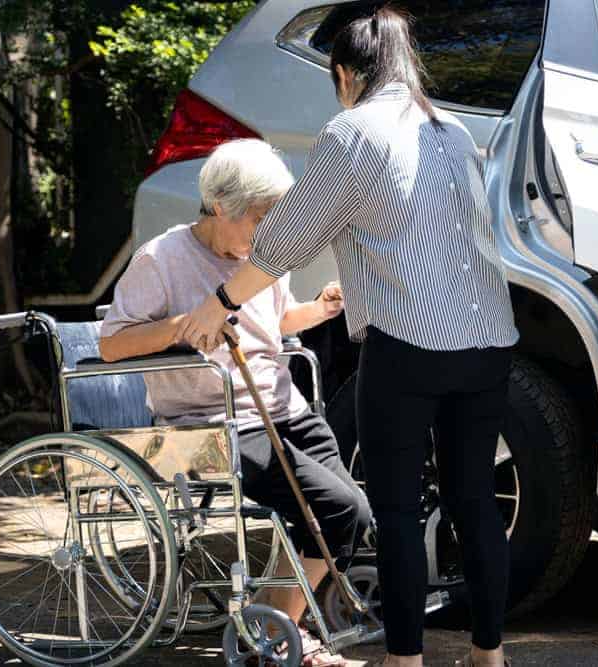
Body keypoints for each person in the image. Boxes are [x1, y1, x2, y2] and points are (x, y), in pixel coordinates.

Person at [177, 6, 519, 666]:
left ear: (344, 74)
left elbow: (284, 238)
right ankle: (489, 654)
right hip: (487, 341)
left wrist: (221, 300)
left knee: (394, 510)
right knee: (473, 501)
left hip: (408, 344)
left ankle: (404, 660)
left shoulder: (352, 131)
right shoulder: (452, 131)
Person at [98, 138, 370, 667]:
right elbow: (112, 344)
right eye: (258, 219)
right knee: (340, 510)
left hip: (283, 410)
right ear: (221, 206)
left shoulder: (263, 255)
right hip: (210, 426)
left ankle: (275, 615)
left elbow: (273, 324)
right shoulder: (161, 259)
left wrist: (318, 309)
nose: (267, 232)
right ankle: (279, 628)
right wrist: (186, 325)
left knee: (350, 511)